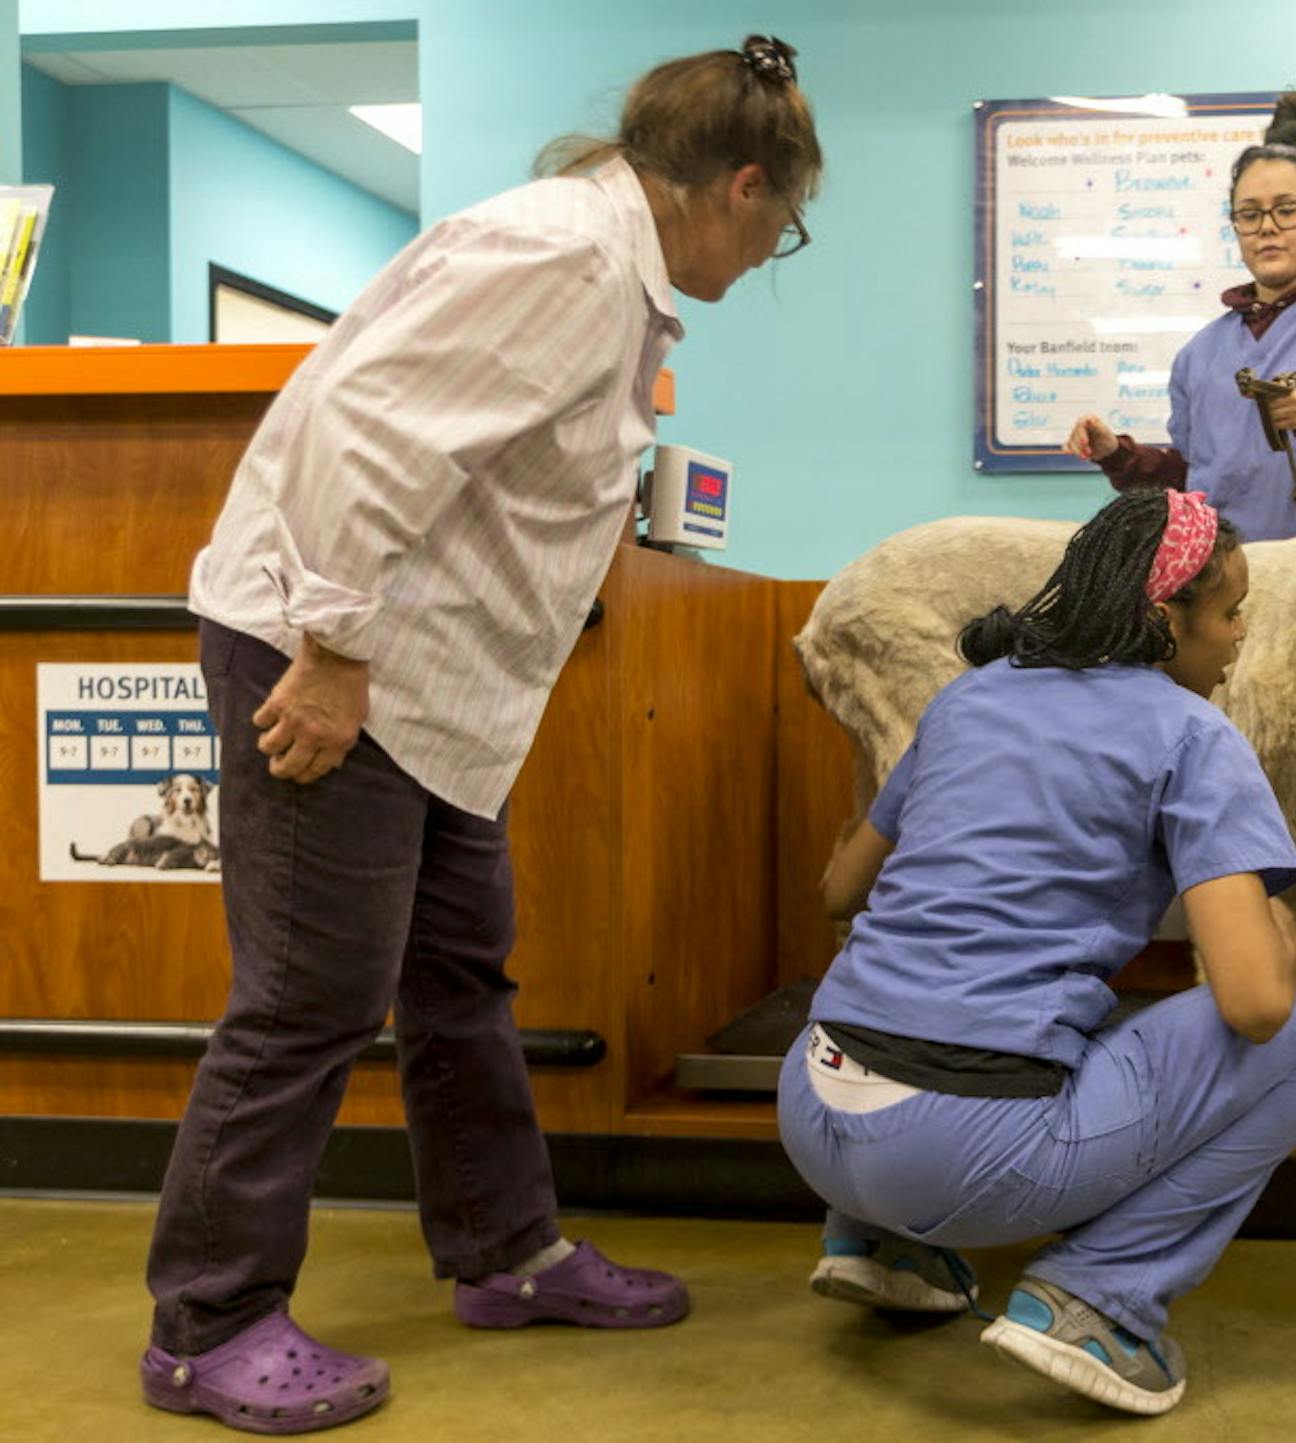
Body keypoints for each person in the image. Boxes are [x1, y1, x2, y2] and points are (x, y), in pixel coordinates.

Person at [139, 37, 821, 1435]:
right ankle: (205, 1325)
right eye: (782, 225)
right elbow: (361, 434)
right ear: (741, 187)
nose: (768, 254)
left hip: (426, 688)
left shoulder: (601, 261)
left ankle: (506, 1252)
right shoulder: (566, 256)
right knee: (307, 995)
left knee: (457, 970)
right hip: (331, 653)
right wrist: (329, 649)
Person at [779, 489, 1296, 1416]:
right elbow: (1256, 1002)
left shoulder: (968, 697)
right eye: (1228, 614)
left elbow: (838, 894)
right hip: (958, 1155)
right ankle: (1102, 1295)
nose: (1239, 640)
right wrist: (1284, 940)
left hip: (812, 1107)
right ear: (1163, 618)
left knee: (1031, 1017)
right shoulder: (1192, 734)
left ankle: (881, 1244)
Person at [1065, 91, 1296, 541]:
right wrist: (1118, 455)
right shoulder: (1200, 354)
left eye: (1287, 210)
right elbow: (1193, 483)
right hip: (1219, 592)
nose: (1267, 227)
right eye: (1250, 214)